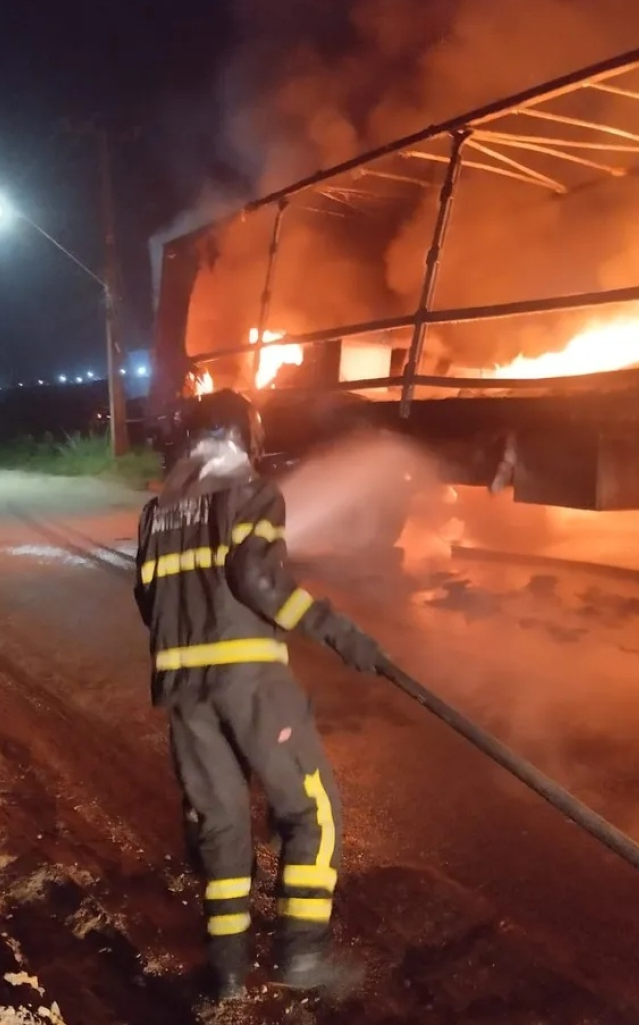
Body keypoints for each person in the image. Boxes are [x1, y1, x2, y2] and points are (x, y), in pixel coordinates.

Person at [133, 388, 384, 1002]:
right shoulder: (252, 494)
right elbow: (257, 578)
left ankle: (227, 971)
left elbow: (148, 600)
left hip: (183, 693)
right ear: (245, 438)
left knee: (219, 824)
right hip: (249, 683)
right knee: (312, 812)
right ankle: (300, 956)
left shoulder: (156, 511)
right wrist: (338, 631)